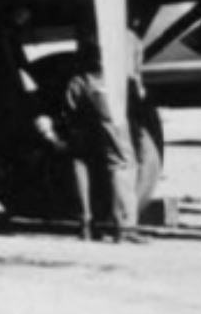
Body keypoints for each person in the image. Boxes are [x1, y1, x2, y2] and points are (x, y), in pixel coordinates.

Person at [35, 48, 136, 241]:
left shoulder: (77, 81)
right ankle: (121, 226)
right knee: (120, 164)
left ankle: (85, 223)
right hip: (108, 107)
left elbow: (69, 106)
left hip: (82, 116)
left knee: (80, 161)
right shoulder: (115, 75)